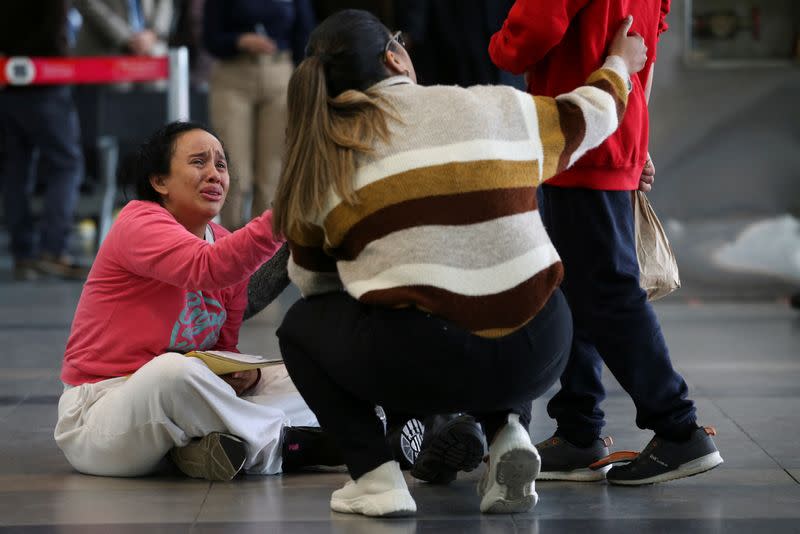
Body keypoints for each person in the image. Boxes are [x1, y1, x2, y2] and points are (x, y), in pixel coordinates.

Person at [274, 9, 646, 516]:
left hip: (419, 363)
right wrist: (620, 65)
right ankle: (509, 431)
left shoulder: (326, 160)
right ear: (395, 56)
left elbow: (316, 289)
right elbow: (590, 114)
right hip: (541, 348)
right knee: (498, 284)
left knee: (301, 327)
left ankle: (376, 479)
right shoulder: (493, 105)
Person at [490, 0, 723, 485]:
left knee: (608, 290)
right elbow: (648, 48)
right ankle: (578, 429)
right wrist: (633, 129)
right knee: (579, 287)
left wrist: (497, 42)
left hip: (576, 134)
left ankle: (678, 428)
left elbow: (525, 38)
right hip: (611, 129)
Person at [54, 122, 342, 481]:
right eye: (198, 162)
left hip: (180, 411)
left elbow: (223, 349)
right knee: (172, 371)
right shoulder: (138, 221)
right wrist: (285, 214)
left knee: (308, 372)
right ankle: (296, 445)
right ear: (160, 182)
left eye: (221, 165)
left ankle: (204, 449)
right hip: (101, 415)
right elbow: (208, 268)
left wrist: (246, 376)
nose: (214, 174)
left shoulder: (223, 242)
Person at [203, 0, 315, 230]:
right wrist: (239, 41)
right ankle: (229, 243)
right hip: (234, 75)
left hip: (280, 73)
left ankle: (265, 251)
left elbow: (306, 34)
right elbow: (210, 38)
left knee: (273, 172)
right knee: (234, 171)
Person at [0, 1, 87, 281]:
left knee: (16, 168)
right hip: (46, 80)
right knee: (67, 164)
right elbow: (53, 30)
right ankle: (53, 250)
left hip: (8, 81)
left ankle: (23, 254)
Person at [73, 0, 173, 57]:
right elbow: (86, 2)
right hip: (104, 51)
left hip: (152, 51)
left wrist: (153, 33)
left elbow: (164, 3)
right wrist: (127, 38)